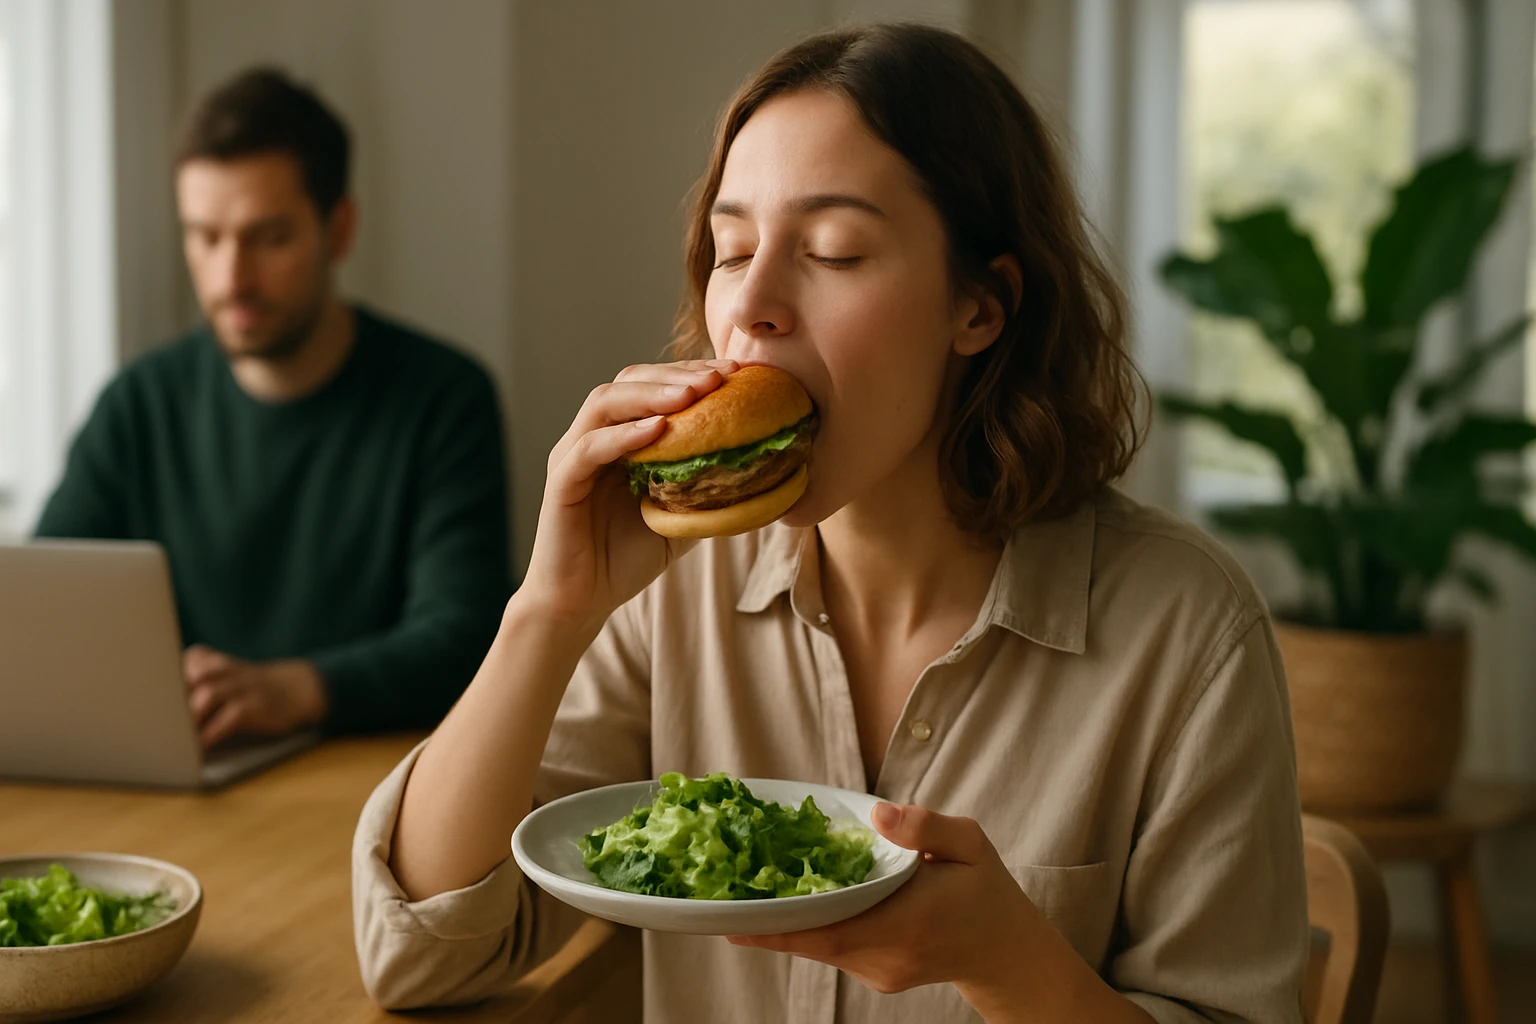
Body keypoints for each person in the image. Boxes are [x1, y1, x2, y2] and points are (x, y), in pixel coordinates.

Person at [352, 24, 1306, 1024]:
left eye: (833, 251)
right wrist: (548, 610)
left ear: (980, 306)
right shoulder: (679, 582)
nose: (752, 306)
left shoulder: (1189, 632)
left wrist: (1011, 960)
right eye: (731, 250)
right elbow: (419, 957)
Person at [35, 68, 512, 747]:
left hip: (369, 778)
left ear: (338, 230)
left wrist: (301, 689)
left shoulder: (443, 398)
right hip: (187, 773)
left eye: (269, 237)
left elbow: (463, 639)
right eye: (205, 237)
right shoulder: (137, 404)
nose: (232, 277)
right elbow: (43, 613)